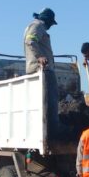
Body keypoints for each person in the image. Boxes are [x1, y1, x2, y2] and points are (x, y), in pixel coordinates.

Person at [23, 8, 61, 136]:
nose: (51, 26)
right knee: (52, 100)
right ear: (48, 20)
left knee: (42, 103)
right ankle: (54, 131)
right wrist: (39, 56)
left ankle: (46, 130)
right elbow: (30, 41)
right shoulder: (38, 25)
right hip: (43, 69)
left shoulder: (36, 26)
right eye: (51, 23)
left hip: (37, 68)